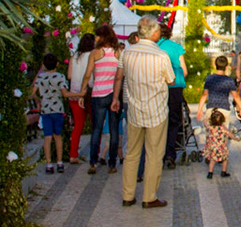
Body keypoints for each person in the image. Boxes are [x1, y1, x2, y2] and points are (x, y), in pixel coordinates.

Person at [114, 15, 174, 207]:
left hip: (134, 110)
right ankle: (149, 197)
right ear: (155, 33)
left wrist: (117, 98)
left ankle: (128, 195)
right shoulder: (161, 56)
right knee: (154, 154)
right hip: (156, 110)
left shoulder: (127, 54)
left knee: (132, 153)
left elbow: (120, 76)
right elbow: (171, 80)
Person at [82, 26, 121, 174]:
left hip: (98, 94)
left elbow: (87, 74)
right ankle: (112, 163)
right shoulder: (118, 53)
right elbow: (119, 77)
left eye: (97, 36)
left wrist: (82, 91)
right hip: (113, 94)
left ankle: (93, 162)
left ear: (102, 37)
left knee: (96, 130)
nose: (95, 39)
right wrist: (116, 97)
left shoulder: (95, 53)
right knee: (114, 130)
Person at [157, 19, 189, 168]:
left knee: (159, 121)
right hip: (175, 87)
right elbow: (185, 70)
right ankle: (171, 152)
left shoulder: (154, 47)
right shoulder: (176, 47)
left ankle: (158, 153)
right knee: (174, 120)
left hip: (158, 88)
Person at [33, 51, 69, 172]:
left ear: (44, 64)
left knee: (47, 137)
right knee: (58, 136)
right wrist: (79, 94)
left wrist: (38, 100)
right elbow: (64, 93)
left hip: (45, 110)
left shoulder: (40, 77)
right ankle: (59, 162)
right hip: (58, 109)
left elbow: (32, 92)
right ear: (57, 64)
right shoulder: (60, 77)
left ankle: (49, 164)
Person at [66, 33, 94, 156]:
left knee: (77, 126)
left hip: (74, 93)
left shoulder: (74, 56)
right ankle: (95, 154)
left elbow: (69, 76)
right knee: (95, 125)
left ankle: (73, 154)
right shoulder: (93, 56)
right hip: (89, 93)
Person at [202, 107, 233, 178]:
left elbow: (205, 124)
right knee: (225, 159)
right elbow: (229, 134)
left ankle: (210, 173)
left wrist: (204, 120)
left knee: (212, 160)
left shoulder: (210, 127)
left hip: (212, 147)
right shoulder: (222, 128)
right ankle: (223, 172)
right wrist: (236, 138)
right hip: (221, 148)